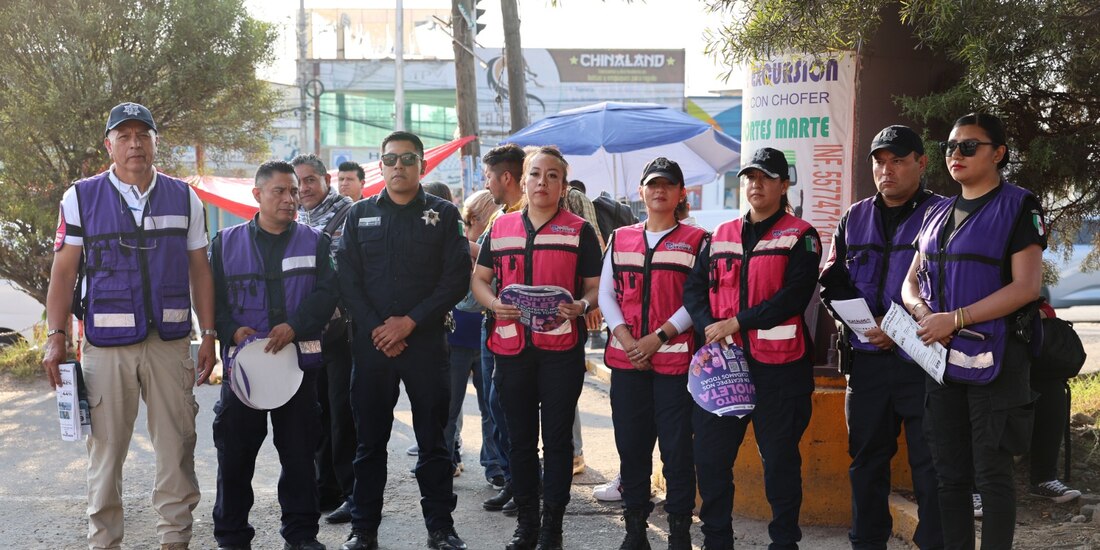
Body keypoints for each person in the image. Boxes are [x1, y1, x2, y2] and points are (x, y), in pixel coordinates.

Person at [41, 102, 215, 550]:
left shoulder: (185, 197)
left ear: (156, 142)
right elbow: (62, 273)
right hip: (105, 346)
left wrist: (209, 334)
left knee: (177, 449)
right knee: (106, 454)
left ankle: (175, 540)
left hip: (170, 342)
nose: (135, 143)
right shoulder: (80, 197)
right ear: (109, 145)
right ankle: (104, 543)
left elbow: (200, 269)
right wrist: (54, 337)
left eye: (143, 135)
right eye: (124, 136)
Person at [902, 112, 1045, 549]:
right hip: (942, 362)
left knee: (992, 473)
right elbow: (910, 283)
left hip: (996, 361)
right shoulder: (936, 212)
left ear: (998, 153)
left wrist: (956, 318)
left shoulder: (1019, 206)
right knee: (950, 476)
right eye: (950, 146)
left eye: (968, 146)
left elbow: (1027, 286)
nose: (955, 155)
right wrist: (925, 315)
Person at [336, 131, 471, 550]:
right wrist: (380, 328)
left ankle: (440, 528)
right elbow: (346, 278)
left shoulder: (444, 214)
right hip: (373, 346)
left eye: (408, 159)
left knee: (433, 442)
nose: (399, 166)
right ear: (381, 166)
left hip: (426, 345)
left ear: (422, 166)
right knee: (370, 443)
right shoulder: (358, 215)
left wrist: (409, 322)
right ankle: (364, 530)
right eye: (391, 160)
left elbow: (455, 278)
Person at [683, 147, 821, 550]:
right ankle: (717, 540)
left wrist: (738, 322)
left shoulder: (801, 235)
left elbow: (794, 297)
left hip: (780, 370)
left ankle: (783, 541)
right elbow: (694, 290)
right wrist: (710, 325)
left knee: (778, 461)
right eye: (750, 177)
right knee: (709, 458)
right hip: (724, 369)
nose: (756, 184)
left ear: (783, 184)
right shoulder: (720, 235)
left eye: (765, 177)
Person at [818, 125, 945, 550]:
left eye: (898, 160)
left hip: (923, 363)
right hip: (867, 362)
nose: (886, 170)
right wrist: (861, 323)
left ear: (921, 163)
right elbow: (831, 281)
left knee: (931, 467)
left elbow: (949, 287)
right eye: (879, 161)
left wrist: (902, 331)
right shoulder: (854, 217)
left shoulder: (943, 215)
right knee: (867, 463)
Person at [471, 146, 602, 550]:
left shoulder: (579, 231)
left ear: (563, 185)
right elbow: (479, 279)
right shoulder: (501, 227)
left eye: (552, 176)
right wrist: (494, 305)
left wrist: (580, 306)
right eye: (535, 174)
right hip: (512, 350)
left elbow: (596, 289)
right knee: (520, 441)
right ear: (523, 181)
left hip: (561, 351)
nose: (542, 182)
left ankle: (552, 530)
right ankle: (527, 526)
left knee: (558, 441)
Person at [210, 160, 339, 550]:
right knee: (234, 458)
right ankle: (232, 536)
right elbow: (211, 299)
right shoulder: (225, 243)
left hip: (298, 367)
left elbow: (328, 292)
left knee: (300, 458)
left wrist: (295, 326)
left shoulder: (314, 240)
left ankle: (301, 536)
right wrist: (231, 328)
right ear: (257, 195)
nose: (289, 199)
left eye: (293, 191)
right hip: (244, 373)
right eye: (279, 191)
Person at [600, 157, 706, 550]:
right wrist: (628, 339)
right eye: (652, 184)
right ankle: (635, 532)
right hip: (627, 362)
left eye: (668, 184)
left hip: (675, 363)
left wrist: (657, 337)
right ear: (641, 191)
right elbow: (608, 294)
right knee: (631, 447)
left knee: (677, 450)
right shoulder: (621, 237)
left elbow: (698, 298)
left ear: (681, 194)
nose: (659, 190)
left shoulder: (697, 240)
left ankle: (678, 533)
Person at [291, 153, 358, 523]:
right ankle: (326, 486)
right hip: (307, 330)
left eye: (310, 180)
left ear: (325, 180)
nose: (303, 189)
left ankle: (352, 492)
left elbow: (339, 271)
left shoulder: (349, 214)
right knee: (315, 411)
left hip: (341, 330)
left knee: (342, 412)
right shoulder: (297, 217)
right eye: (298, 182)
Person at [478, 144, 527, 513]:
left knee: (509, 404)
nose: (487, 184)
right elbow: (484, 274)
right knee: (495, 405)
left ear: (506, 177)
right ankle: (513, 480)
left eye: (489, 177)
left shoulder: (533, 215)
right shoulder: (499, 219)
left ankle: (528, 483)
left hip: (529, 327)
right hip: (493, 320)